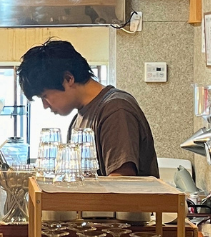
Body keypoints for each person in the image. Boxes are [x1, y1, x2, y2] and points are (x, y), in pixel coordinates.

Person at [17, 39, 159, 177]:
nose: (45, 105)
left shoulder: (115, 109)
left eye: (45, 96)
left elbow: (122, 182)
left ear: (68, 79)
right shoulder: (78, 120)